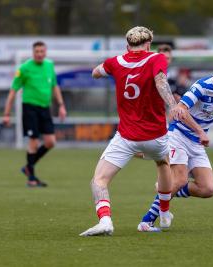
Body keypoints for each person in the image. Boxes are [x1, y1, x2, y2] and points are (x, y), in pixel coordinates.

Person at [79, 26, 202, 237]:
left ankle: (105, 220)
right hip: (156, 136)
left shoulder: (115, 62)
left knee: (99, 180)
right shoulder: (156, 58)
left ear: (127, 45)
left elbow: (95, 73)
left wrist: (108, 70)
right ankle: (164, 213)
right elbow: (161, 81)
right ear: (148, 44)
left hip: (127, 137)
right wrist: (173, 105)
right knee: (163, 164)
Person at [138, 55, 213, 232]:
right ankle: (146, 222)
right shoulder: (202, 86)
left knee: (208, 189)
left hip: (196, 144)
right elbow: (179, 109)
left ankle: (166, 190)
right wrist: (200, 130)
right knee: (180, 179)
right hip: (178, 135)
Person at [3, 41, 67, 187]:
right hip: (30, 108)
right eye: (36, 51)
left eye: (41, 51)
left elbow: (55, 86)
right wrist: (6, 114)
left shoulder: (49, 65)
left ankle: (28, 167)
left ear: (45, 52)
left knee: (50, 142)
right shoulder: (24, 68)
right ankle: (31, 178)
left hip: (45, 108)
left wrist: (61, 105)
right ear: (33, 53)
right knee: (34, 140)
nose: (39, 54)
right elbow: (13, 91)